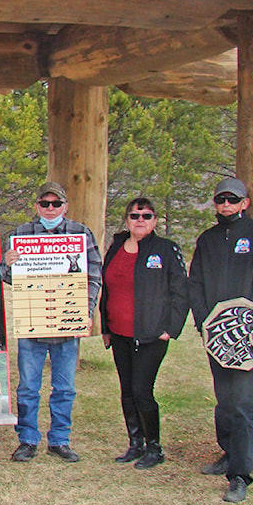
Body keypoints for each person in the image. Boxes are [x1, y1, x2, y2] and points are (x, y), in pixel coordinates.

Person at [189, 177, 253, 503]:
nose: (226, 205)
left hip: (248, 335)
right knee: (224, 400)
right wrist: (205, 323)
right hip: (217, 334)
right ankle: (228, 452)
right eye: (221, 200)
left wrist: (249, 321)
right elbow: (195, 283)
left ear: (244, 203)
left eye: (232, 199)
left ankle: (240, 475)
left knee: (243, 404)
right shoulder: (208, 240)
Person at [0, 181, 102, 463]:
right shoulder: (20, 235)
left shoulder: (81, 234)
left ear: (65, 207)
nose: (50, 208)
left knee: (65, 387)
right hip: (33, 321)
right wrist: (7, 263)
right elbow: (6, 277)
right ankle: (28, 439)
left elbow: (94, 275)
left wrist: (87, 311)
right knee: (28, 386)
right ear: (37, 207)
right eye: (45, 204)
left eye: (56, 204)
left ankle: (59, 439)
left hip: (67, 321)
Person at [99, 197, 188, 469]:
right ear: (126, 220)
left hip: (151, 334)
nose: (140, 220)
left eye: (146, 216)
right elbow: (108, 290)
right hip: (120, 333)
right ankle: (135, 443)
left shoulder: (166, 249)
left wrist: (169, 330)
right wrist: (105, 328)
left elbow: (181, 292)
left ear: (155, 220)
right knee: (127, 391)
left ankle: (154, 447)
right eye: (135, 216)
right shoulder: (115, 248)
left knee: (142, 390)